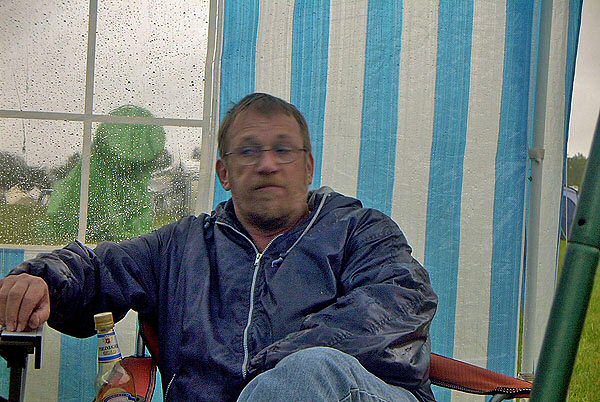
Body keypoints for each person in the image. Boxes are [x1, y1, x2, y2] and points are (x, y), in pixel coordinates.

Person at [0, 93, 438, 401]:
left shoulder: (361, 232)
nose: (267, 164)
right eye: (248, 152)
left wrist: (266, 369)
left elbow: (393, 306)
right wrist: (40, 280)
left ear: (308, 166)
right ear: (223, 173)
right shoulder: (181, 246)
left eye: (283, 150)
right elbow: (98, 269)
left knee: (311, 372)